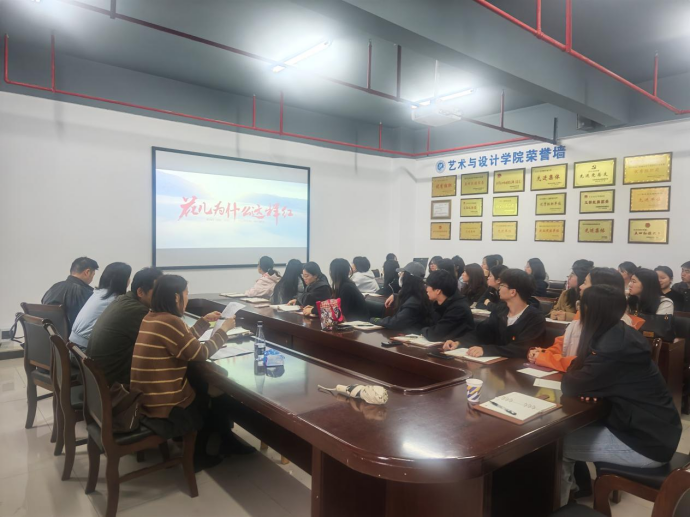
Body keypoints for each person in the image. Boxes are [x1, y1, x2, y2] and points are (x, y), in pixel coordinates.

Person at [559, 285, 682, 506]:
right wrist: (593, 385)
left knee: (556, 448)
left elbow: (570, 384)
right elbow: (587, 376)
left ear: (590, 310)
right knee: (566, 434)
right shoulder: (619, 332)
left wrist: (588, 383)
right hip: (655, 430)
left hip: (646, 444)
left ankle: (561, 505)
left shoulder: (612, 347)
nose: (578, 310)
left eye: (581, 305)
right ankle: (575, 489)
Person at [131, 275, 250, 470]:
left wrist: (203, 322)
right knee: (214, 395)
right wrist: (224, 330)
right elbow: (199, 353)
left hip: (147, 397)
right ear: (176, 297)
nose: (187, 297)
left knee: (206, 387)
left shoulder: (153, 317)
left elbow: (183, 344)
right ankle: (200, 454)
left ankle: (222, 442)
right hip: (163, 404)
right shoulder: (170, 322)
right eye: (186, 293)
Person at [530, 267, 644, 372]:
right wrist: (542, 353)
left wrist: (546, 358)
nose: (580, 286)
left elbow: (587, 364)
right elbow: (561, 344)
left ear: (599, 290)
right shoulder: (582, 314)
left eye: (585, 283)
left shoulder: (619, 326)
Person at [87, 267, 164, 386]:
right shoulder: (138, 311)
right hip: (114, 385)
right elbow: (165, 344)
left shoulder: (122, 299)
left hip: (97, 379)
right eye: (158, 292)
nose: (162, 296)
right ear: (140, 292)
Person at [444, 269, 545, 358]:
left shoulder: (535, 317)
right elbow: (481, 333)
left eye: (502, 285)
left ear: (513, 292)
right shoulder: (501, 310)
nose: (499, 288)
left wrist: (486, 350)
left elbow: (521, 349)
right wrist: (458, 342)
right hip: (495, 364)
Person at [70, 262, 132, 351]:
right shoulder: (114, 300)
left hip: (74, 346)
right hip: (84, 350)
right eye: (128, 277)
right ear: (123, 280)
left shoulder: (99, 293)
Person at [370, 262, 433, 333]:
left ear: (408, 278)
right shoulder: (419, 294)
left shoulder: (414, 302)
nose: (400, 275)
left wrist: (375, 320)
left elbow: (395, 322)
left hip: (409, 335)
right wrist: (395, 296)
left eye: (402, 273)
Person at [42, 257, 99, 331]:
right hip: (71, 337)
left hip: (48, 335)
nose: (92, 279)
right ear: (87, 272)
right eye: (93, 275)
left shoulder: (54, 287)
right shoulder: (85, 292)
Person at [421, 270, 474, 342]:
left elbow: (435, 335)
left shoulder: (458, 308)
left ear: (438, 291)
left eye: (428, 286)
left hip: (459, 346)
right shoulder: (438, 304)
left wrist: (422, 330)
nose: (426, 289)